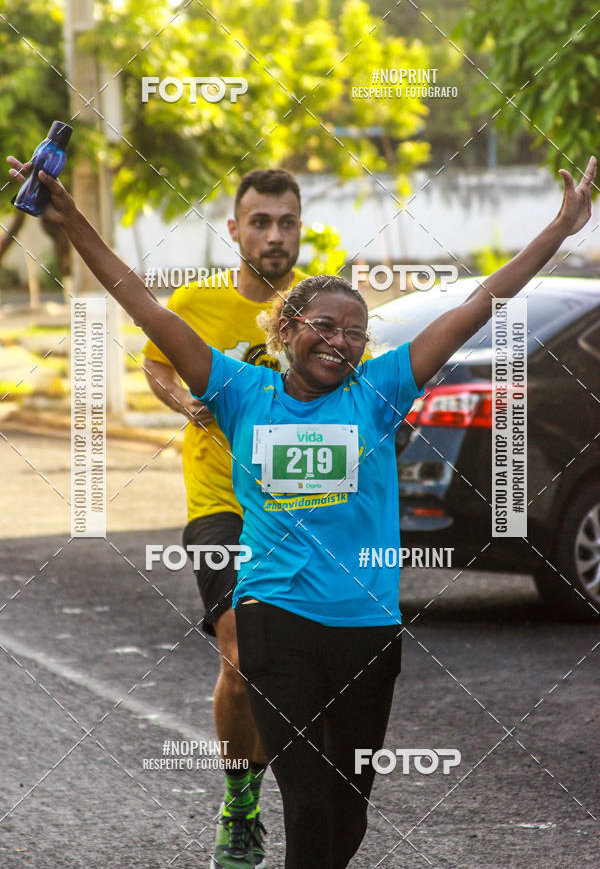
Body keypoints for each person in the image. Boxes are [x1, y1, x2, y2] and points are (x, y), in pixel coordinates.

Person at [7, 152, 596, 868]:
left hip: (367, 629)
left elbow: (478, 305)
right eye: (323, 325)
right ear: (285, 328)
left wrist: (559, 232)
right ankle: (243, 808)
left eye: (354, 332)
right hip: (274, 617)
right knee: (310, 795)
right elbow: (144, 304)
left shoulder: (379, 392)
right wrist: (72, 224)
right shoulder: (241, 392)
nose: (339, 340)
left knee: (346, 813)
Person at [141, 168, 308, 868]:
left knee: (288, 667)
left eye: (286, 222)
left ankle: (307, 804)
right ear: (234, 230)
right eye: (260, 222)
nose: (274, 235)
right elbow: (156, 363)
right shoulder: (195, 302)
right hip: (220, 505)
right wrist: (184, 401)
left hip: (299, 506)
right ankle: (242, 807)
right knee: (241, 660)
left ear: (300, 229)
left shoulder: (315, 305)